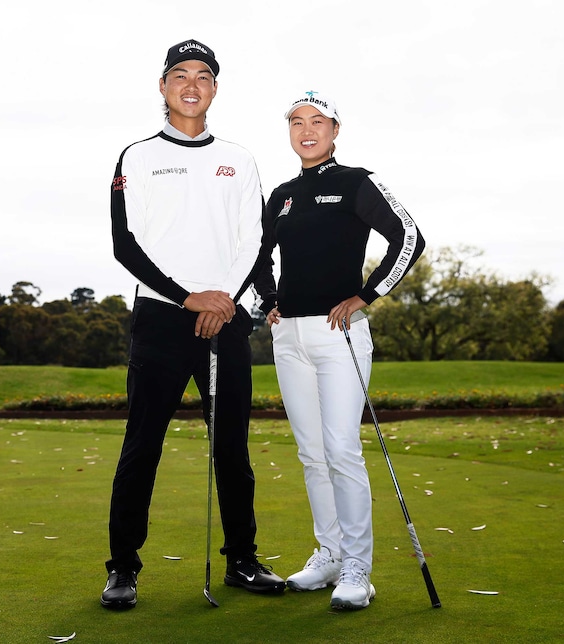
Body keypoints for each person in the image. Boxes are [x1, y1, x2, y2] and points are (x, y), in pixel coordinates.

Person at [100, 39, 286, 610]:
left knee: (232, 448)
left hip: (226, 315)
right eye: (179, 74)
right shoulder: (136, 155)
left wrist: (222, 299)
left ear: (214, 89)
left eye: (203, 75)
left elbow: (255, 240)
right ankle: (123, 568)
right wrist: (188, 297)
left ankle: (243, 561)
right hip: (160, 317)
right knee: (142, 447)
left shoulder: (240, 158)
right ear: (162, 87)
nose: (191, 83)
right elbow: (124, 245)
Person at [253, 91, 424, 610]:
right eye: (297, 122)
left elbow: (409, 238)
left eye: (317, 122)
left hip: (340, 334)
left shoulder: (356, 182)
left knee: (341, 449)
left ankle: (357, 568)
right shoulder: (281, 194)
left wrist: (365, 296)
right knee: (311, 453)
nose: (307, 130)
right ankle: (328, 553)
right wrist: (269, 302)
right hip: (289, 338)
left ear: (334, 130)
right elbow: (260, 255)